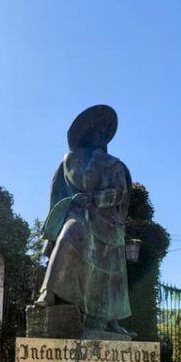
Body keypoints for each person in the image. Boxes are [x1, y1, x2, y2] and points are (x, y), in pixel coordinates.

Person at [35, 105, 134, 337]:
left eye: (102, 131)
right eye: (93, 130)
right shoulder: (70, 160)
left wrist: (98, 199)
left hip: (108, 223)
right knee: (69, 235)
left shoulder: (116, 165)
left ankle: (110, 319)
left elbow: (121, 193)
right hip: (79, 215)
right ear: (85, 134)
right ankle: (48, 292)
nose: (98, 135)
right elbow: (71, 188)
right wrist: (95, 161)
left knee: (111, 269)